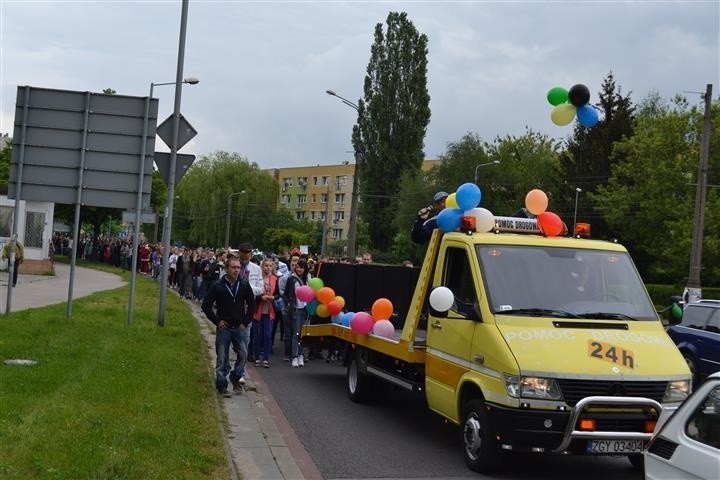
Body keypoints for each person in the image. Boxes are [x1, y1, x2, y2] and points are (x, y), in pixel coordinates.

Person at [201, 256, 256, 396]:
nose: (236, 270)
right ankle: (221, 384)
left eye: (238, 268)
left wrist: (246, 321)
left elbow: (252, 304)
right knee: (222, 356)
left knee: (243, 354)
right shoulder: (218, 285)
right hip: (224, 327)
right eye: (233, 267)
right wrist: (217, 321)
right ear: (226, 269)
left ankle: (236, 376)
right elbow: (206, 305)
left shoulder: (243, 284)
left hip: (239, 327)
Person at [252, 258, 279, 368]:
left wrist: (273, 297)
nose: (268, 268)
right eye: (266, 266)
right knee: (257, 335)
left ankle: (266, 359)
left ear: (272, 267)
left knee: (267, 335)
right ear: (262, 267)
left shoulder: (274, 279)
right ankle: (257, 357)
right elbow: (253, 292)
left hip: (269, 311)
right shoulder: (258, 279)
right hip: (258, 310)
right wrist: (260, 297)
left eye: (270, 266)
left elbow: (278, 293)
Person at [285, 259, 310, 368]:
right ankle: (294, 356)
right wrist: (290, 305)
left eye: (301, 267)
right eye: (297, 267)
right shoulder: (291, 279)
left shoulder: (307, 280)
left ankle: (300, 355)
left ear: (305, 269)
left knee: (303, 334)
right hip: (296, 309)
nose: (299, 269)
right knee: (296, 334)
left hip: (306, 310)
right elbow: (286, 294)